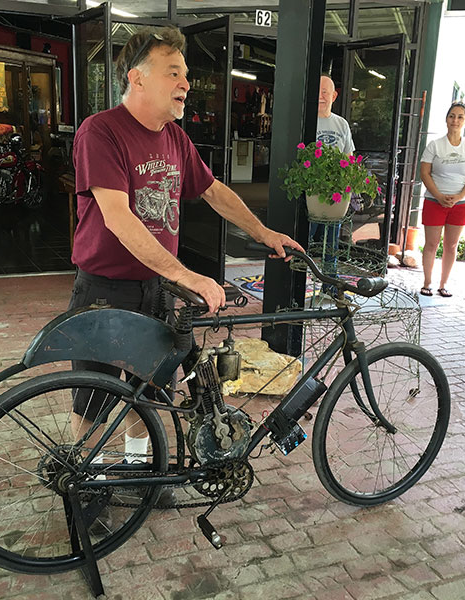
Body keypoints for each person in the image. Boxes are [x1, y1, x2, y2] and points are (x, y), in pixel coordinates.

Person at [69, 26, 302, 504]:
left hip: (157, 289)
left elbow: (214, 191)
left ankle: (140, 479)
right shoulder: (101, 131)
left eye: (186, 74)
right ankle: (80, 481)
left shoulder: (174, 137)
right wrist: (187, 273)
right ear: (137, 78)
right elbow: (119, 218)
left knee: (149, 390)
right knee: (92, 397)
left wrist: (265, 234)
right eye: (173, 72)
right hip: (106, 287)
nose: (186, 83)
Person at [419, 102, 465, 298]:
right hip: (434, 201)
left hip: (460, 204)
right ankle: (427, 282)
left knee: (451, 245)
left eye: (460, 116)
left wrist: (459, 197)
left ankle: (443, 284)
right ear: (446, 119)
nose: (455, 120)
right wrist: (438, 195)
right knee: (431, 244)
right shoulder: (435, 145)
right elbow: (425, 173)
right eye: (452, 116)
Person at [310, 75, 355, 292]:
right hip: (310, 194)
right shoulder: (306, 121)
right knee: (305, 239)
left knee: (331, 243)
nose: (320, 96)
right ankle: (296, 282)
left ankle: (329, 285)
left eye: (325, 92)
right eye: (317, 91)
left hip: (333, 195)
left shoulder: (341, 124)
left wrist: (347, 184)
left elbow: (348, 158)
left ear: (334, 95)